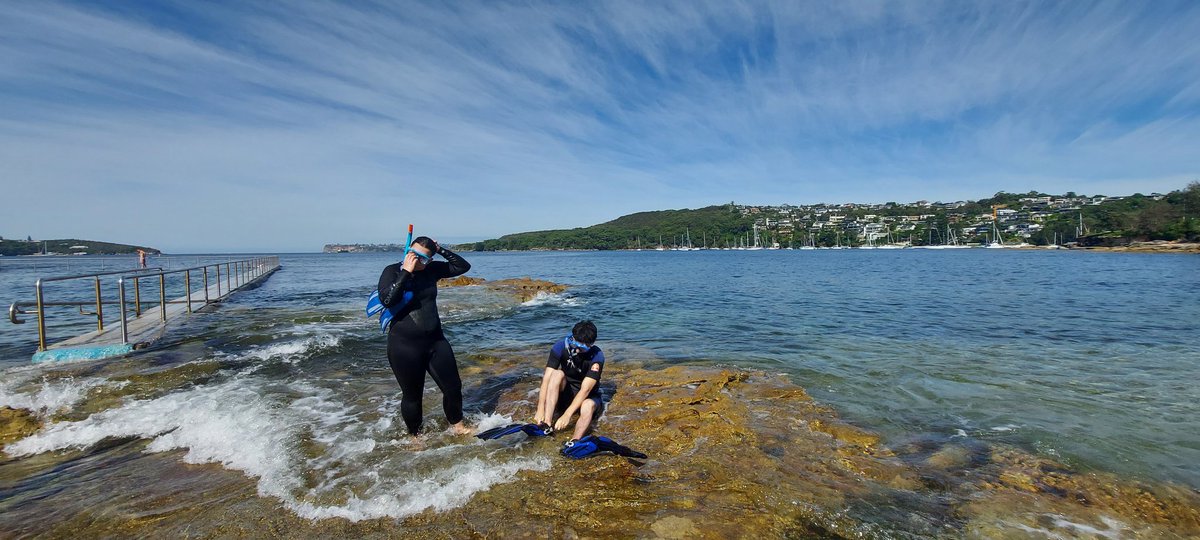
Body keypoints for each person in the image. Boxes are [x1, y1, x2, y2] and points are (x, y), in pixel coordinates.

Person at [377, 236, 472, 437]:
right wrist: (405, 272)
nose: (418, 261)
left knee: (453, 387)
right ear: (407, 251)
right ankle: (415, 436)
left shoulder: (431, 270)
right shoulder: (391, 271)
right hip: (404, 346)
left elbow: (463, 266)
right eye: (415, 255)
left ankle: (458, 426)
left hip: (436, 341)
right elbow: (387, 300)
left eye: (424, 258)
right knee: (413, 395)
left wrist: (440, 250)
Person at [534, 321, 606, 441]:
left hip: (586, 397)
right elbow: (547, 378)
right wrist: (540, 408)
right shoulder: (560, 347)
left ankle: (575, 441)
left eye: (582, 347)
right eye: (574, 343)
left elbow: (585, 390)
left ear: (591, 344)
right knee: (556, 374)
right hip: (566, 394)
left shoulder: (597, 357)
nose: (577, 349)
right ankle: (546, 423)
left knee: (587, 406)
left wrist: (567, 415)